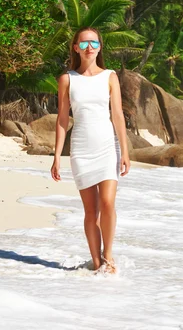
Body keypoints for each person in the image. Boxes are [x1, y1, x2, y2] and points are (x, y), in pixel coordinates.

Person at [51, 27, 130, 274]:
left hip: (107, 145)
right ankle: (97, 264)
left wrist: (125, 151)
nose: (89, 48)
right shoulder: (67, 79)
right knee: (90, 210)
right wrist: (56, 156)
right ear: (75, 48)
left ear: (100, 47)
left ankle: (109, 257)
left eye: (93, 43)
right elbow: (62, 119)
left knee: (107, 203)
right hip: (81, 149)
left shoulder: (110, 76)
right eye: (84, 44)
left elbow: (117, 115)